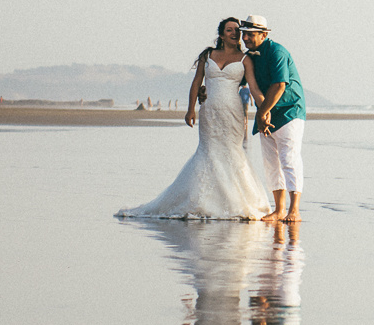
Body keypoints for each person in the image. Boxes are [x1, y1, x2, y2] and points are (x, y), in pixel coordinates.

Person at [116, 18, 272, 220]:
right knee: (209, 151)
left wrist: (265, 110)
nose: (235, 33)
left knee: (232, 151)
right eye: (229, 30)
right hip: (209, 112)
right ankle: (202, 199)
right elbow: (197, 82)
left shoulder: (245, 59)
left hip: (232, 113)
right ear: (221, 34)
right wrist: (190, 109)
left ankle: (234, 201)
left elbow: (254, 88)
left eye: (237, 30)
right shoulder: (208, 55)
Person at [239, 15, 306, 223]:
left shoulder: (277, 52)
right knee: (270, 163)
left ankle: (294, 209)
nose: (245, 38)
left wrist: (262, 112)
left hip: (288, 111)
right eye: (244, 34)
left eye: (250, 34)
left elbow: (279, 85)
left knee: (289, 158)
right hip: (265, 113)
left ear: (263, 35)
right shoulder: (249, 57)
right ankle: (279, 209)